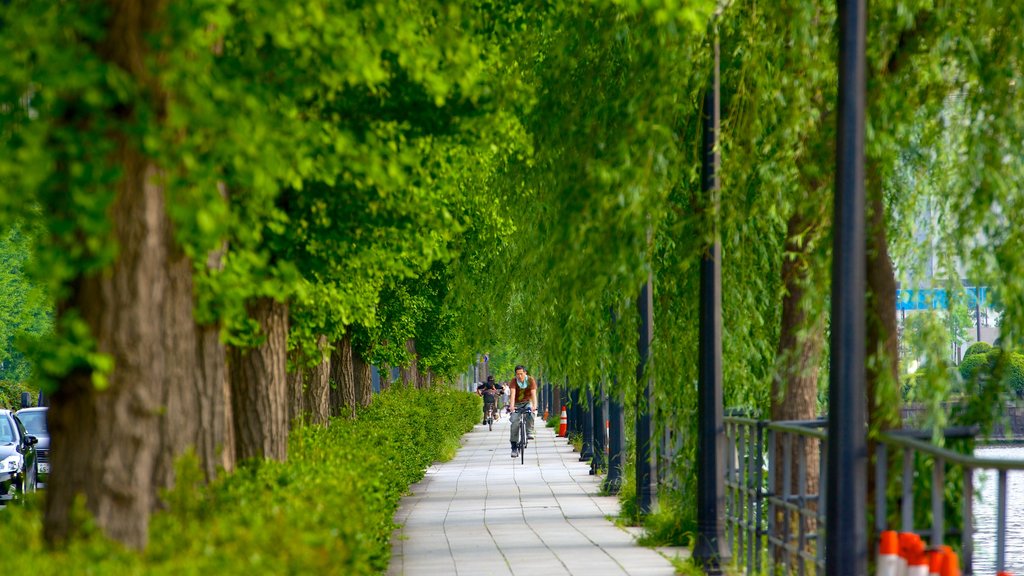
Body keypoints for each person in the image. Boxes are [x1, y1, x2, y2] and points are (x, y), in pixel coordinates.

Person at [508, 365, 538, 458]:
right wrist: (512, 406)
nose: (519, 376)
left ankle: (529, 431)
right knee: (514, 423)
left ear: (525, 373)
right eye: (517, 374)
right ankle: (514, 447)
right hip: (516, 404)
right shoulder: (513, 381)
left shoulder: (530, 380)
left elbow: (533, 394)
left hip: (526, 403)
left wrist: (534, 406)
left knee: (530, 413)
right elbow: (512, 394)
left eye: (521, 374)